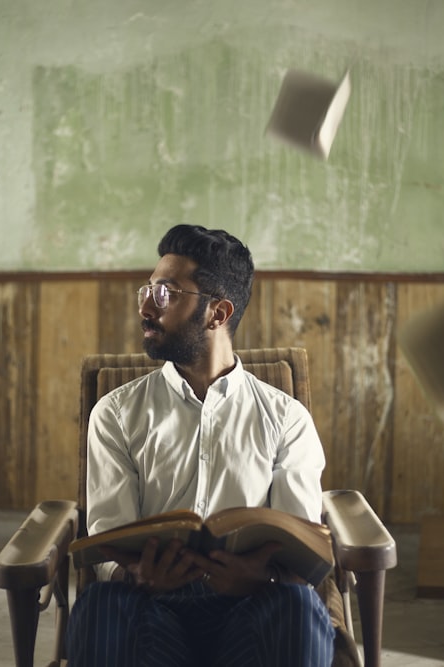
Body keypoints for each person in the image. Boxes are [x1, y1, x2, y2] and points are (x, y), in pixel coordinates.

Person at [66, 224, 335, 667]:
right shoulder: (115, 413)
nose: (146, 308)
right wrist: (135, 574)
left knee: (299, 608)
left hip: (249, 609)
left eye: (166, 294)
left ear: (217, 312)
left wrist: (262, 576)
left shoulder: (286, 420)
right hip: (153, 608)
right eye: (147, 291)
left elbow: (299, 551)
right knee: (100, 606)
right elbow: (108, 542)